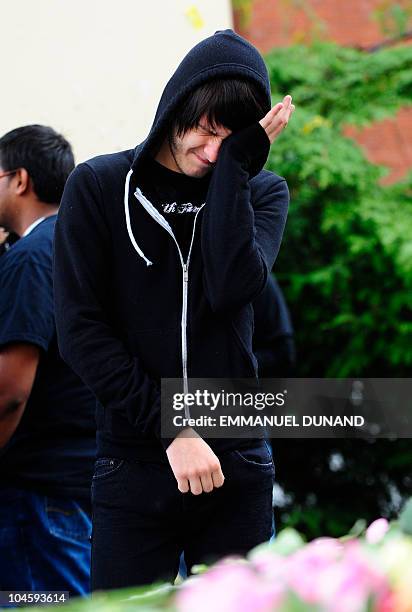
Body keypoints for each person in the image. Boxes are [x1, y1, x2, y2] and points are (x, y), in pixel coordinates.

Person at [53, 29, 294, 590]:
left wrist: (238, 167)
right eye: (207, 132)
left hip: (237, 462)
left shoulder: (259, 192)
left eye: (230, 143)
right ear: (177, 108)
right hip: (134, 465)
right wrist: (174, 429)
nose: (211, 154)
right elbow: (81, 332)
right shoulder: (99, 186)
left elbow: (234, 287)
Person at [0, 125, 96, 596]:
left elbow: (8, 393)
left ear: (19, 180)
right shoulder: (85, 246)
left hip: (39, 497)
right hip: (87, 485)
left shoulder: (32, 259)